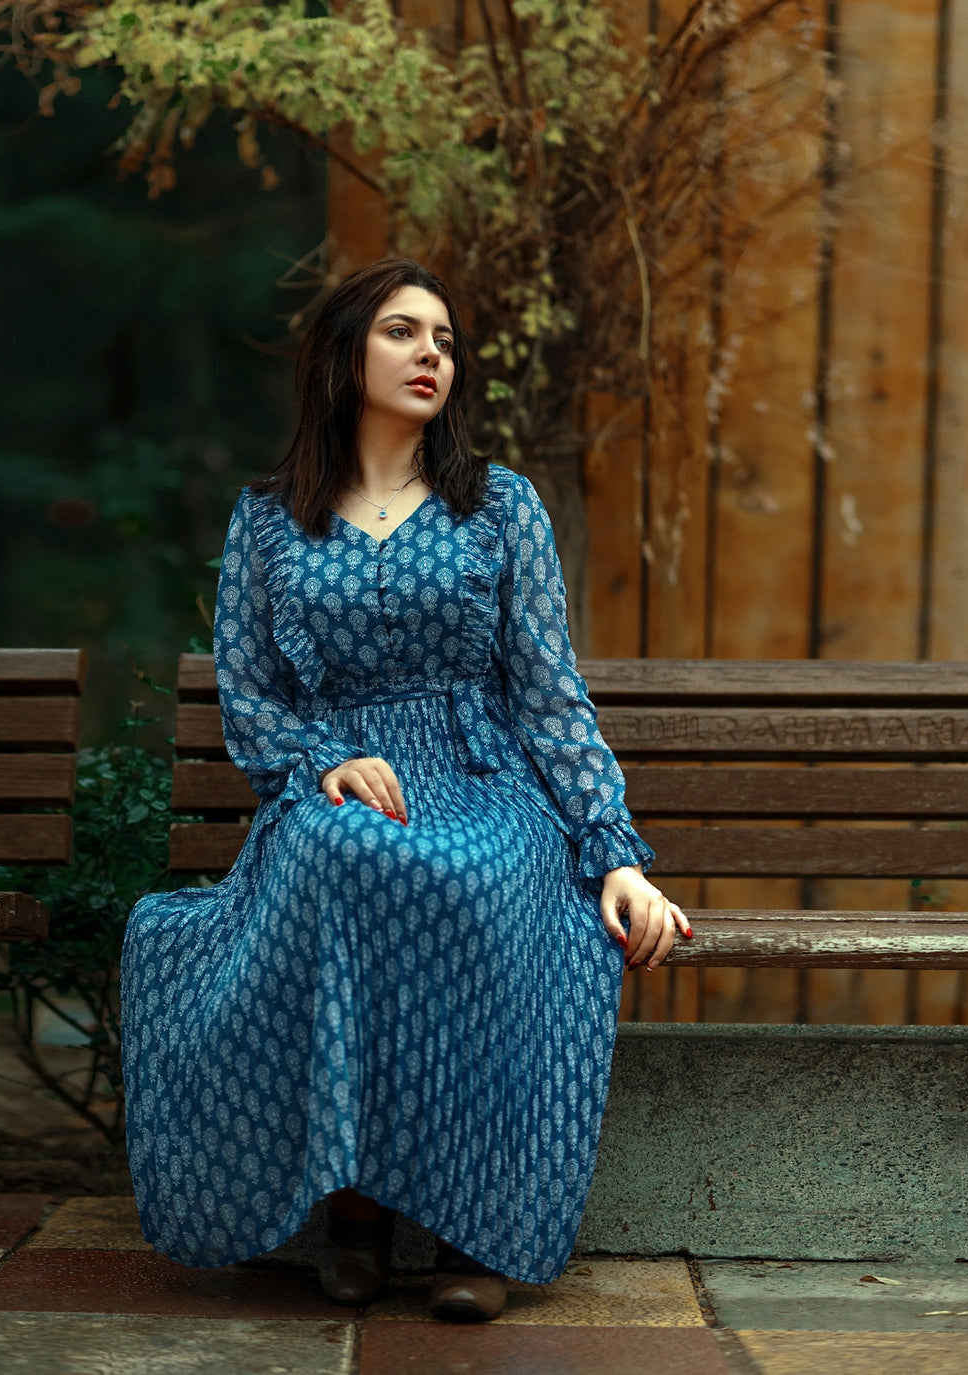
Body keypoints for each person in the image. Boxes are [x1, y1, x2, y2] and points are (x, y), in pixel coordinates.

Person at [121, 258, 690, 1323]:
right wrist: (318, 759)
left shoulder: (500, 506)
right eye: (401, 331)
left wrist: (613, 850)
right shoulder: (268, 518)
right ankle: (356, 1207)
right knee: (343, 850)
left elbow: (550, 694)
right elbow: (248, 688)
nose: (432, 353)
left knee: (473, 880)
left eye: (444, 339)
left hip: (482, 779)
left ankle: (475, 1227)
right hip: (341, 781)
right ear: (343, 356)